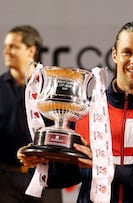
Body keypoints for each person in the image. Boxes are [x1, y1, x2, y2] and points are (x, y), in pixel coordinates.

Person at [18, 21, 133, 203]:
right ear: (114, 54)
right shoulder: (85, 112)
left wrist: (110, 170)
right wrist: (41, 162)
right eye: (127, 52)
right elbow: (66, 175)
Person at [0, 25, 63, 202]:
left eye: (13, 46)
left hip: (47, 178)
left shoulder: (52, 87)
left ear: (31, 50)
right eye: (6, 46)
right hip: (5, 182)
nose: (7, 51)